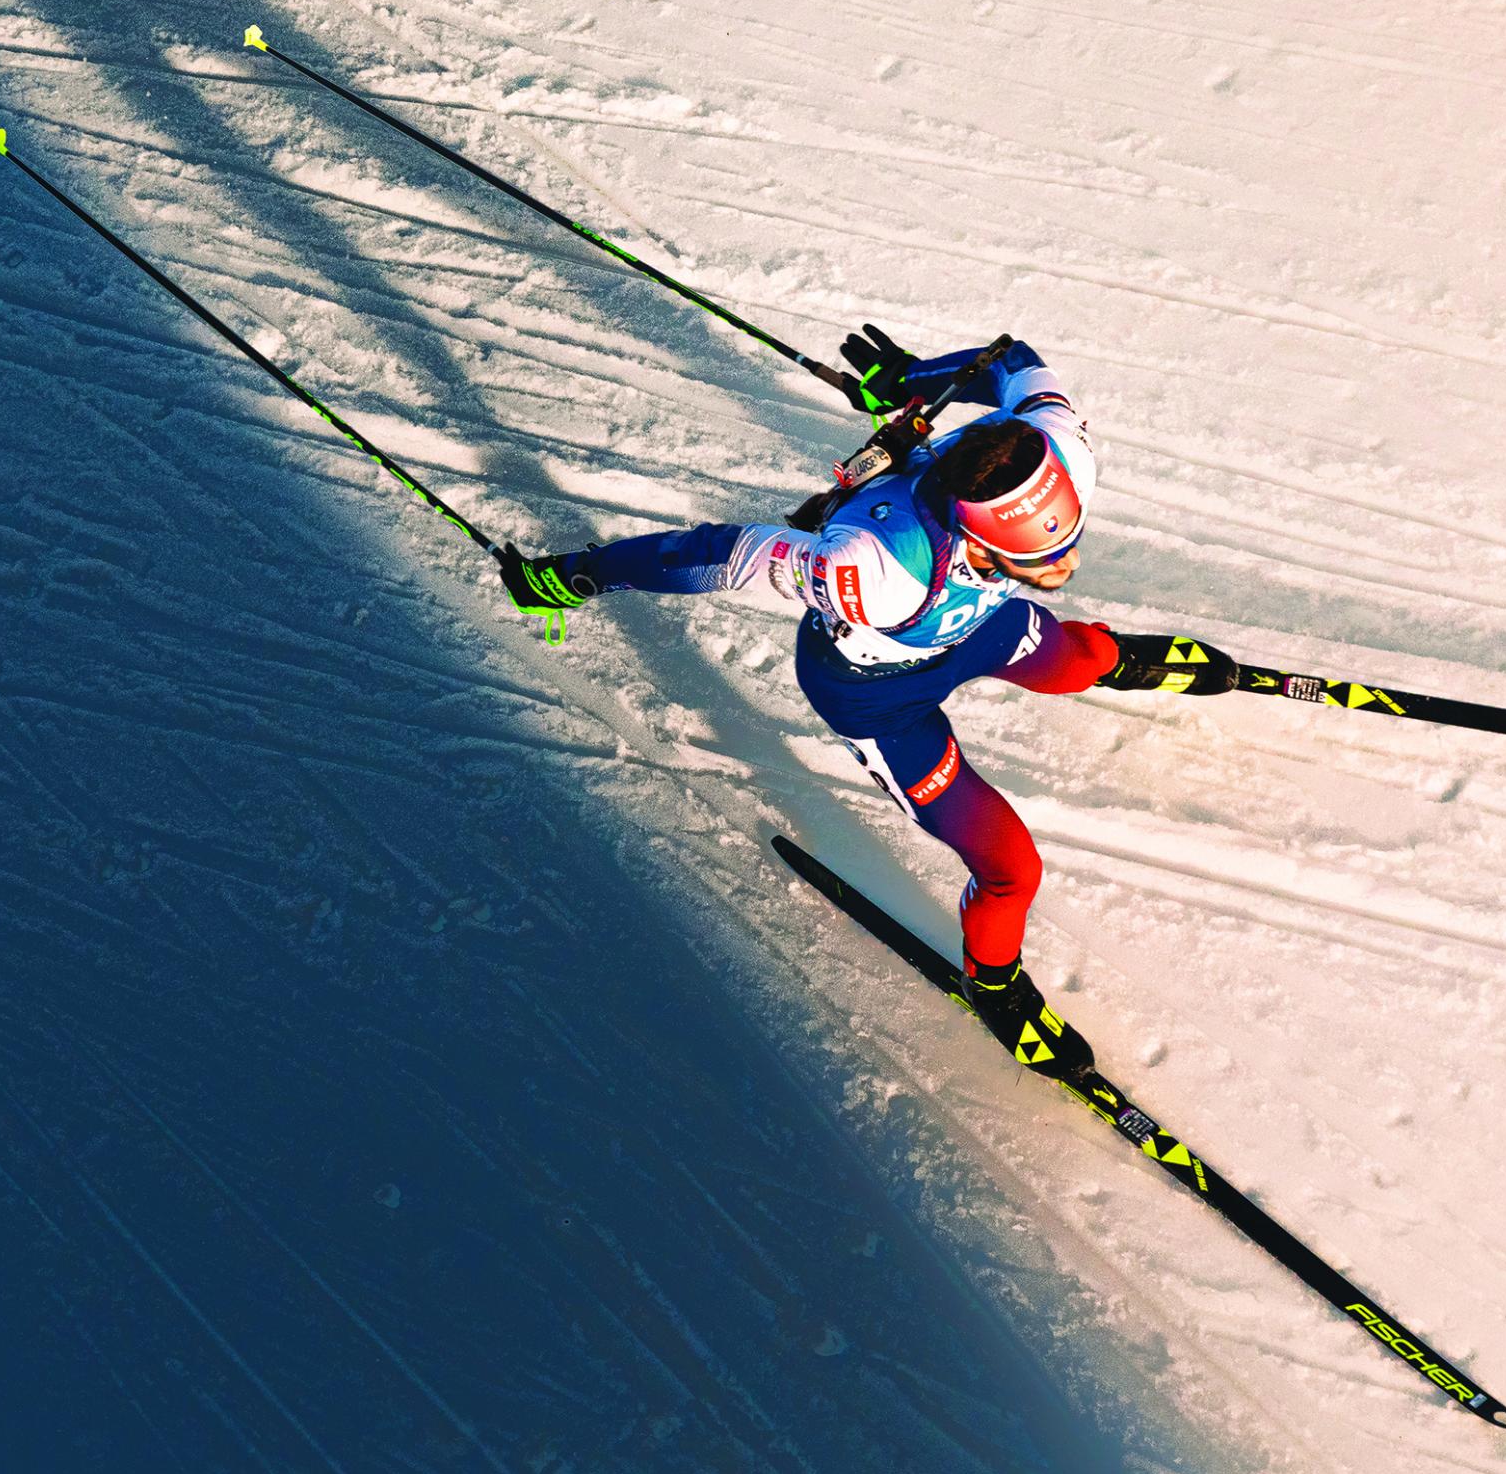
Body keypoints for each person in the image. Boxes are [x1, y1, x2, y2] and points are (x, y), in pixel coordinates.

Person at [500, 327, 1235, 1082]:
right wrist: (579, 574)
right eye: (1038, 560)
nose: (1066, 562)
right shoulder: (875, 568)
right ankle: (995, 987)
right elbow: (718, 556)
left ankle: (1119, 659)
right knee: (1011, 865)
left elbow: (1013, 362)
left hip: (974, 627)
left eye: (1065, 540)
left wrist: (911, 377)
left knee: (1076, 661)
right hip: (880, 699)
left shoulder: (1057, 448)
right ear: (975, 541)